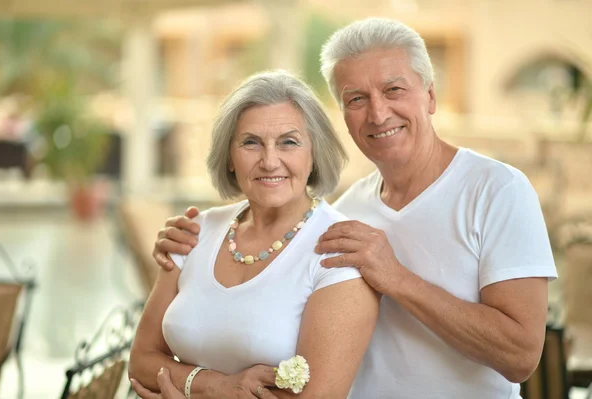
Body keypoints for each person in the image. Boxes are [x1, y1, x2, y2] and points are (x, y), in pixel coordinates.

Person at [152, 18, 558, 398]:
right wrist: (194, 242)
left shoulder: (498, 191)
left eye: (394, 90)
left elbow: (520, 357)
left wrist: (396, 277)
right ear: (343, 116)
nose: (378, 112)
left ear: (430, 95)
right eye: (357, 98)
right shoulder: (347, 212)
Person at [128, 70, 379, 399]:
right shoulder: (194, 232)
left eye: (288, 142)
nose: (270, 161)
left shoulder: (339, 254)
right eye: (251, 143)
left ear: (314, 153)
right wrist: (216, 386)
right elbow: (141, 361)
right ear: (230, 157)